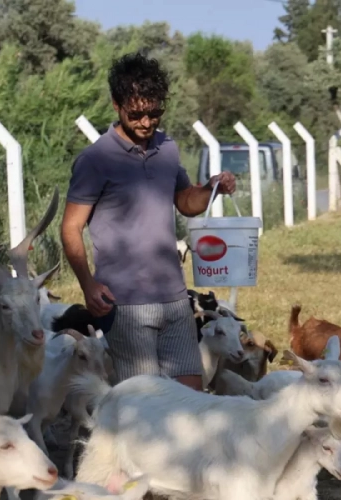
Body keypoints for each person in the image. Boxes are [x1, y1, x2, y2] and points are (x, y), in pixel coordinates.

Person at [61, 52, 236, 391]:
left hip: (175, 298)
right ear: (116, 105)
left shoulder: (167, 148)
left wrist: (212, 188)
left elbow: (186, 202)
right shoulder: (95, 159)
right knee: (146, 403)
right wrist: (88, 284)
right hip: (124, 305)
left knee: (191, 399)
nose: (146, 122)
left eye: (154, 113)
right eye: (136, 114)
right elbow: (70, 228)